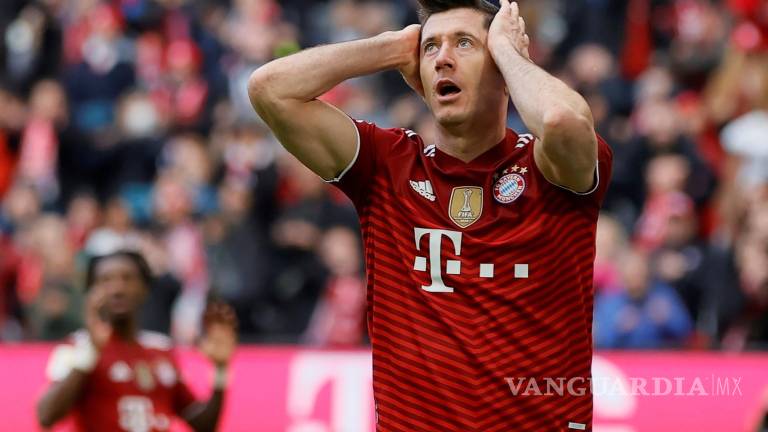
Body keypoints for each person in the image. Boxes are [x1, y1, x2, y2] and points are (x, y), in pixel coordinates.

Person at [248, 0, 612, 430]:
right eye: (431, 47)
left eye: (465, 43)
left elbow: (562, 120)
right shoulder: (388, 166)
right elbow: (269, 89)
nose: (443, 58)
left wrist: (511, 53)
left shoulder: (547, 167)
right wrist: (392, 47)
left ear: (502, 67)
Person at [36, 250, 237, 432]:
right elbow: (46, 415)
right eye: (105, 280)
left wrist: (220, 369)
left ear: (145, 288)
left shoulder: (161, 350)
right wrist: (91, 351)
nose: (117, 289)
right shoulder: (76, 347)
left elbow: (203, 425)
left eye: (127, 278)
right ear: (91, 292)